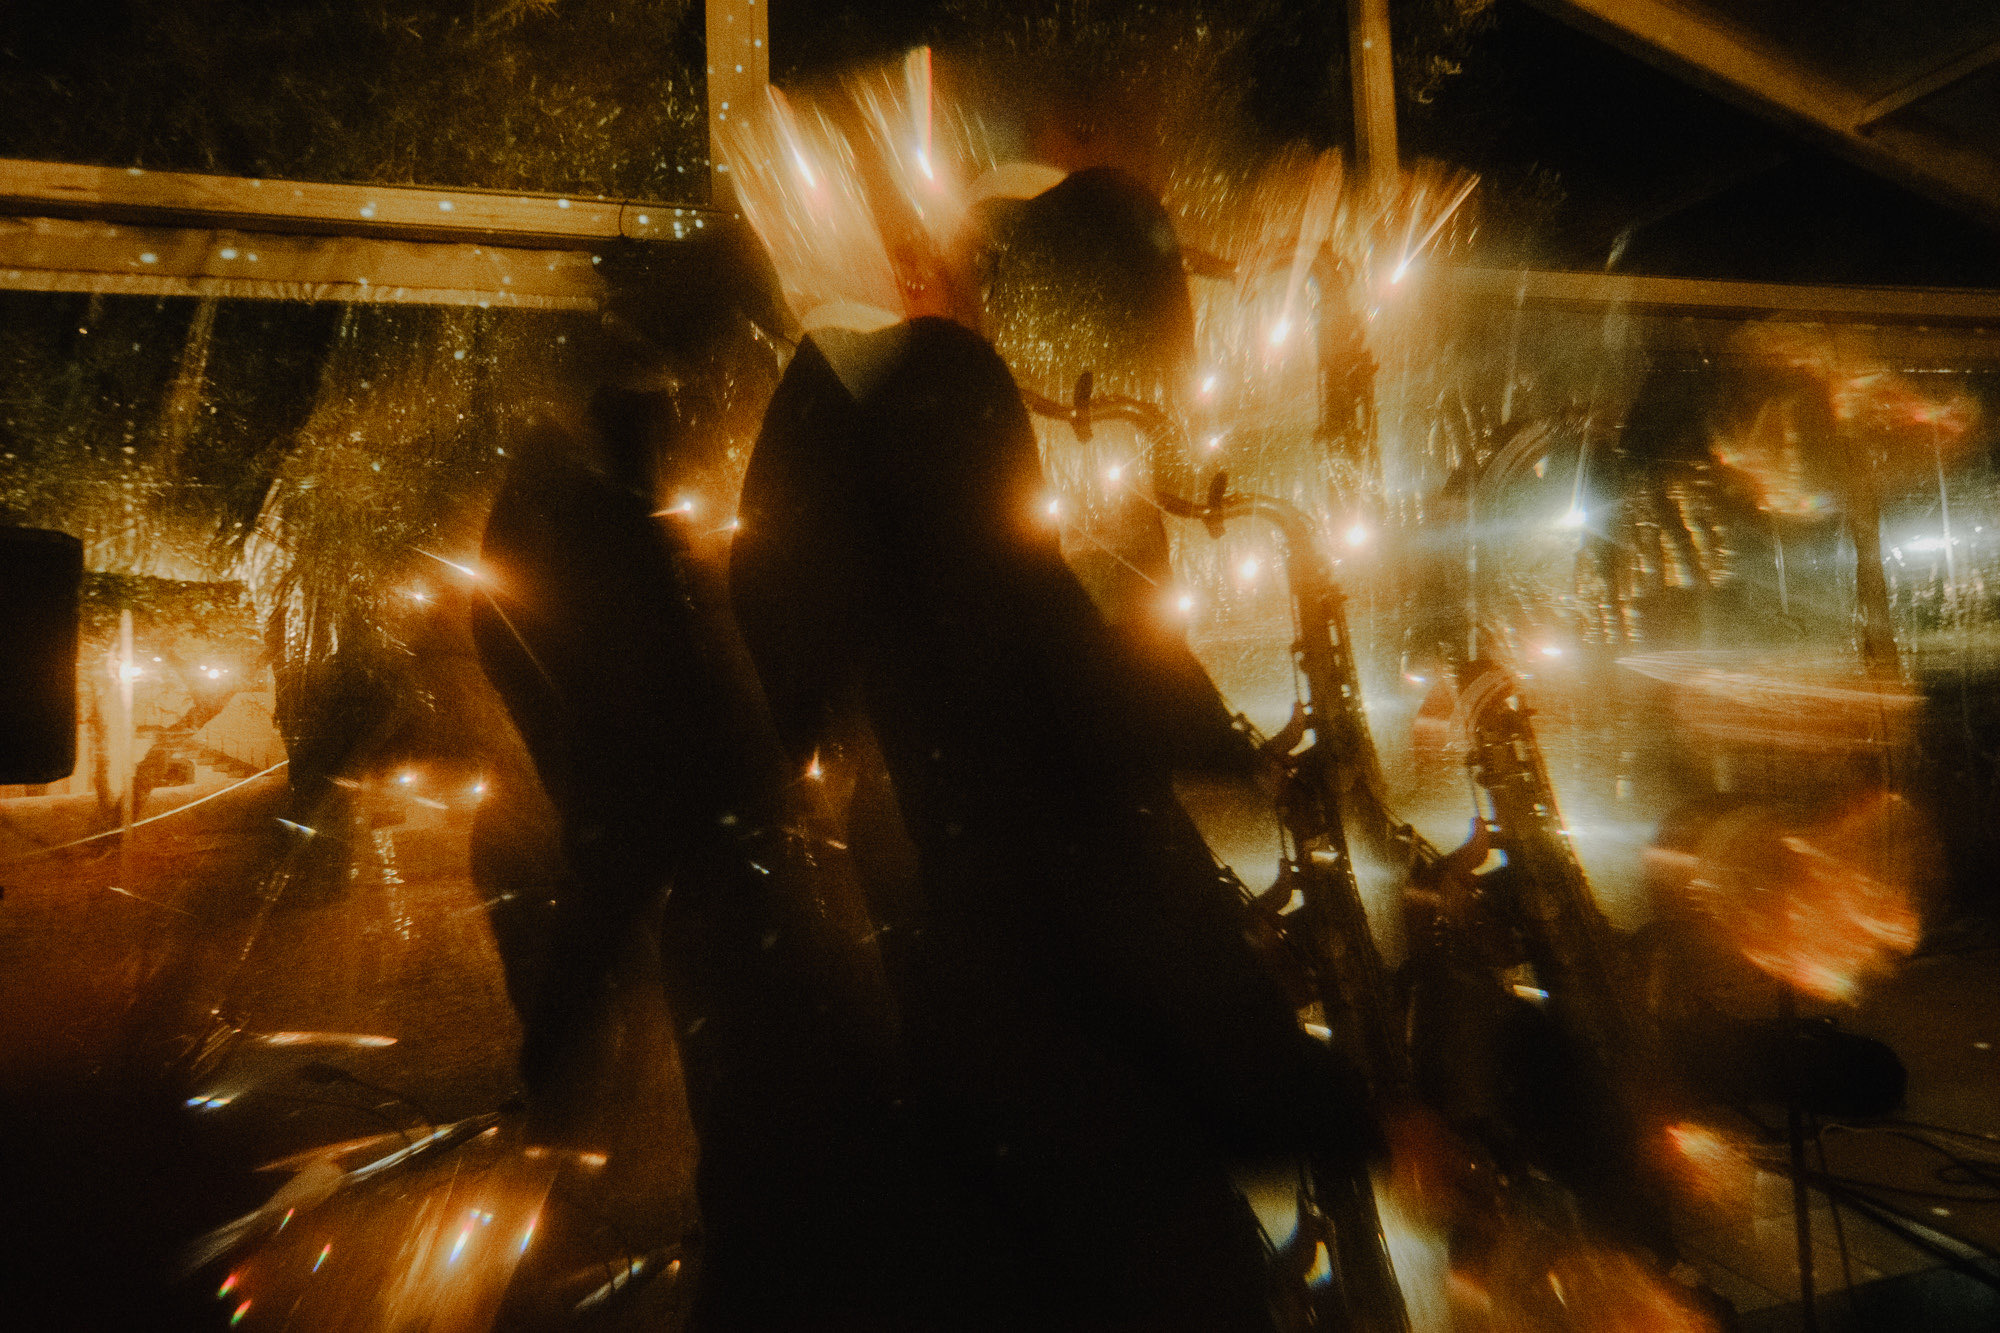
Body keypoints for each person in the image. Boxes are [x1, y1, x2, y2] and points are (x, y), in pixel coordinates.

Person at [731, 181, 1378, 1327]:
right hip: (1116, 1201)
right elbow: (1143, 920)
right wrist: (1342, 1110)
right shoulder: (1019, 679)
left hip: (988, 1167)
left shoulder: (877, 675)